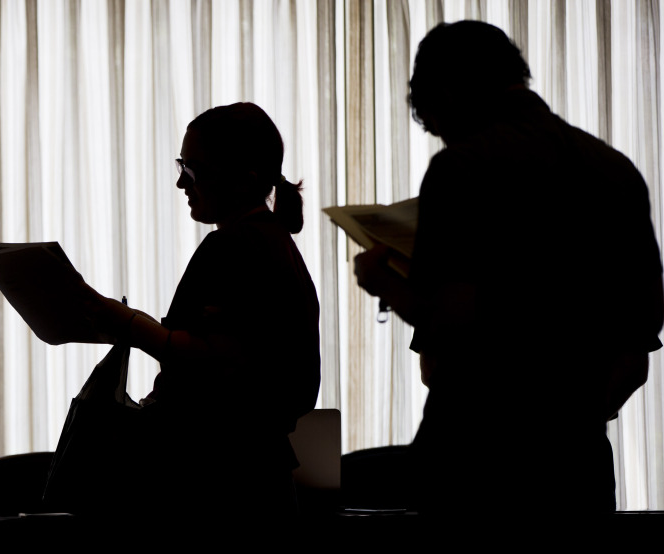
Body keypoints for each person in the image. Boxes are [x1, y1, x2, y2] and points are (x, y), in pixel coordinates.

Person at [354, 21, 664, 512]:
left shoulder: (463, 168)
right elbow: (637, 348)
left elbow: (452, 320)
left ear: (448, 94)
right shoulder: (616, 170)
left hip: (477, 464)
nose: (440, 138)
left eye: (435, 122)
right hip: (579, 467)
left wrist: (380, 281)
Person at [76, 102, 321, 517]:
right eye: (181, 166)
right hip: (257, 474)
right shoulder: (275, 245)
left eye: (192, 171)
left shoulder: (233, 247)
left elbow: (218, 362)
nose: (180, 183)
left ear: (245, 181)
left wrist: (127, 324)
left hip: (220, 481)